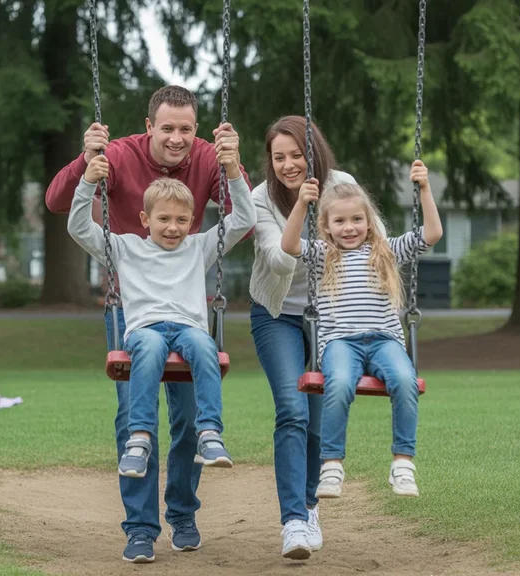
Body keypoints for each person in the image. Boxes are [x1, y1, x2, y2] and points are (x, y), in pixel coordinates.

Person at [45, 85, 252, 563]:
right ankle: (140, 528)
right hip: (131, 309)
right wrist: (86, 165)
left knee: (185, 419)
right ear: (149, 127)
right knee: (133, 418)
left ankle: (182, 513)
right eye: (167, 128)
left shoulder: (207, 162)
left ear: (196, 130)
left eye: (185, 129)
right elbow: (64, 209)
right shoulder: (118, 161)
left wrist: (233, 165)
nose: (177, 138)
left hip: (187, 314)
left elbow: (243, 217)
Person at [69, 142, 254, 474]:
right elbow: (79, 228)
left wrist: (232, 172)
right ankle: (139, 437)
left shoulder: (199, 248)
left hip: (189, 329)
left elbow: (243, 219)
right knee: (151, 347)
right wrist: (86, 182)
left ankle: (210, 433)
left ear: (192, 219)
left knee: (204, 346)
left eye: (182, 219)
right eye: (164, 218)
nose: (173, 227)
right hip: (144, 329)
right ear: (145, 218)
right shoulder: (125, 248)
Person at [280, 161, 443, 504]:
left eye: (357, 220)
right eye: (339, 221)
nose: (349, 227)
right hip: (340, 343)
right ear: (325, 226)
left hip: (385, 341)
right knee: (337, 384)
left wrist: (424, 190)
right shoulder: (324, 255)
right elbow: (289, 244)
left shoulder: (386, 251)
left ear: (369, 222)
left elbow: (432, 234)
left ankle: (402, 463)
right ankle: (332, 465)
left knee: (405, 381)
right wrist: (301, 204)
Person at [247, 115, 358, 559]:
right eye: (279, 157)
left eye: (297, 155)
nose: (289, 165)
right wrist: (300, 206)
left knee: (316, 419)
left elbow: (372, 242)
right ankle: (293, 520)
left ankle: (311, 506)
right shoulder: (260, 198)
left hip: (329, 316)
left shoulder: (342, 183)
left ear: (315, 154)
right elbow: (278, 261)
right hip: (277, 315)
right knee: (292, 409)